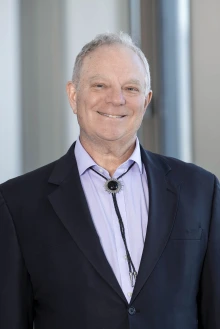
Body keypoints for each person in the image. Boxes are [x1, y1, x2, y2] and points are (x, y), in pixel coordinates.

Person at [0, 32, 219, 329]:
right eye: (100, 85)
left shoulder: (201, 190)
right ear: (74, 95)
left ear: (146, 100)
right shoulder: (16, 203)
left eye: (130, 88)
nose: (116, 99)